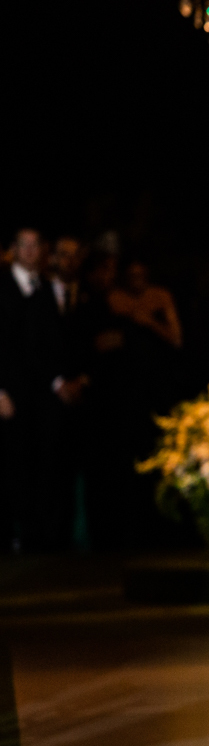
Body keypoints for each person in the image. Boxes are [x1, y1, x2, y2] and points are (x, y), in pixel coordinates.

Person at [0, 228, 76, 552]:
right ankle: (9, 537)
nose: (31, 251)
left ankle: (39, 538)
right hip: (9, 395)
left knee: (42, 466)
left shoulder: (45, 288)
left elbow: (50, 343)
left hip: (41, 397)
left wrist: (59, 381)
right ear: (13, 250)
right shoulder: (2, 286)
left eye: (36, 245)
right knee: (9, 467)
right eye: (24, 245)